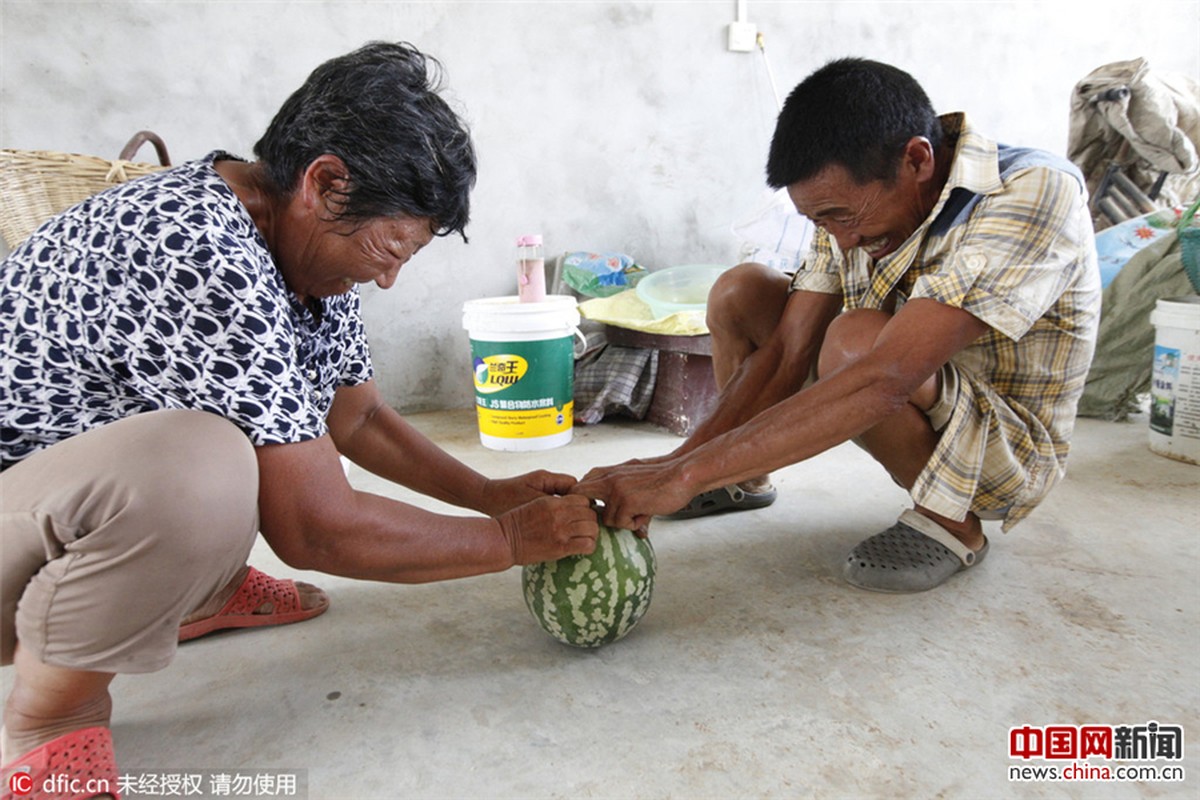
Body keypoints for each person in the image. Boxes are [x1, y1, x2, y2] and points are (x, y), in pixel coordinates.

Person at [0, 42, 599, 793]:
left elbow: (360, 419)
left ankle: (198, 593)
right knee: (201, 466)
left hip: (54, 516)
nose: (387, 275)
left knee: (266, 445)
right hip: (13, 544)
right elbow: (313, 527)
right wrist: (506, 540)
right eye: (389, 248)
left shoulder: (301, 250)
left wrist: (488, 494)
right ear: (323, 182)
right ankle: (53, 720)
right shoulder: (195, 242)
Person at [575, 57, 1100, 595]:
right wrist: (679, 464)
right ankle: (742, 478)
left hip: (1002, 449)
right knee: (742, 291)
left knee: (854, 342)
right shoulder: (851, 202)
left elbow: (886, 376)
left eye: (842, 217)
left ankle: (952, 524)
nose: (840, 239)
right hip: (898, 381)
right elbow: (785, 354)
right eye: (819, 221)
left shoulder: (1032, 192)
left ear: (917, 160)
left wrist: (684, 477)